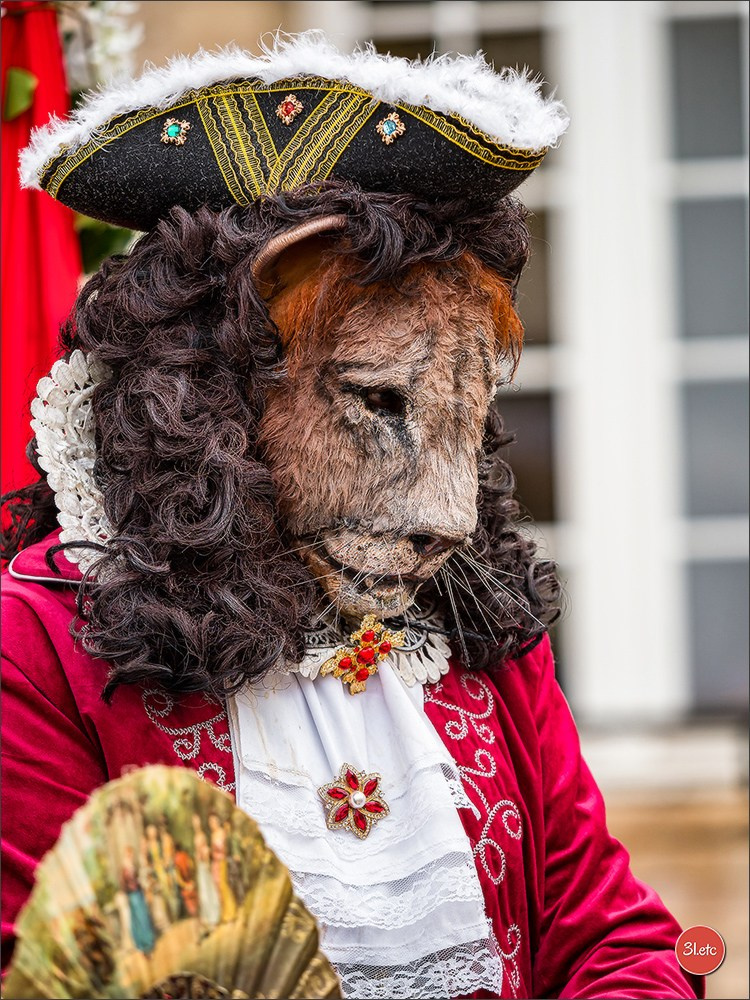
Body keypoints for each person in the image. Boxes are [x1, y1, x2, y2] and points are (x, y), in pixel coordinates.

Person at [1, 32, 702, 1000]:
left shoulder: (472, 624)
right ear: (212, 387)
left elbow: (616, 940)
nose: (449, 518)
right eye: (377, 399)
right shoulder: (38, 642)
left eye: (464, 414)